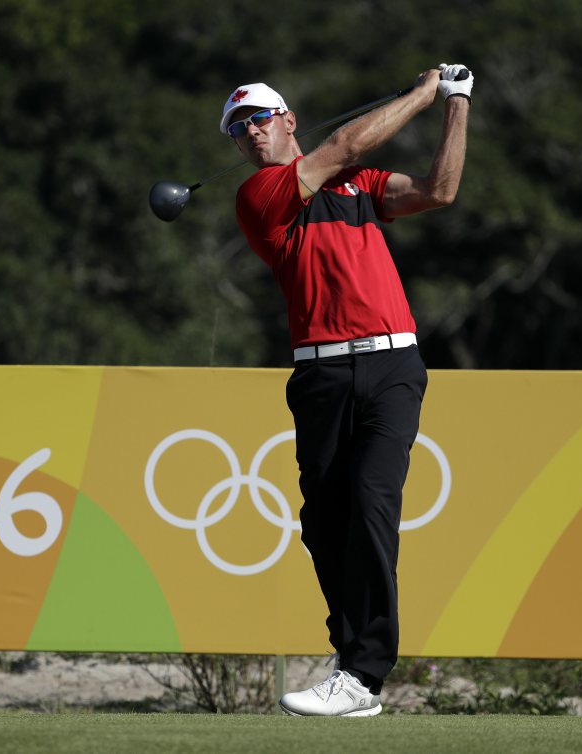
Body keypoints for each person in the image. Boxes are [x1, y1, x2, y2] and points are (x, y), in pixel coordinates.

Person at [221, 64, 472, 716]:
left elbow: (439, 191)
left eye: (258, 118)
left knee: (368, 502)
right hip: (321, 374)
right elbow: (346, 146)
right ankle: (349, 660)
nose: (248, 132)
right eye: (236, 129)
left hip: (391, 366)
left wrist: (456, 104)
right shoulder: (260, 196)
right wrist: (420, 92)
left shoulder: (358, 187)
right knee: (324, 524)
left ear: (287, 121)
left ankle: (362, 675)